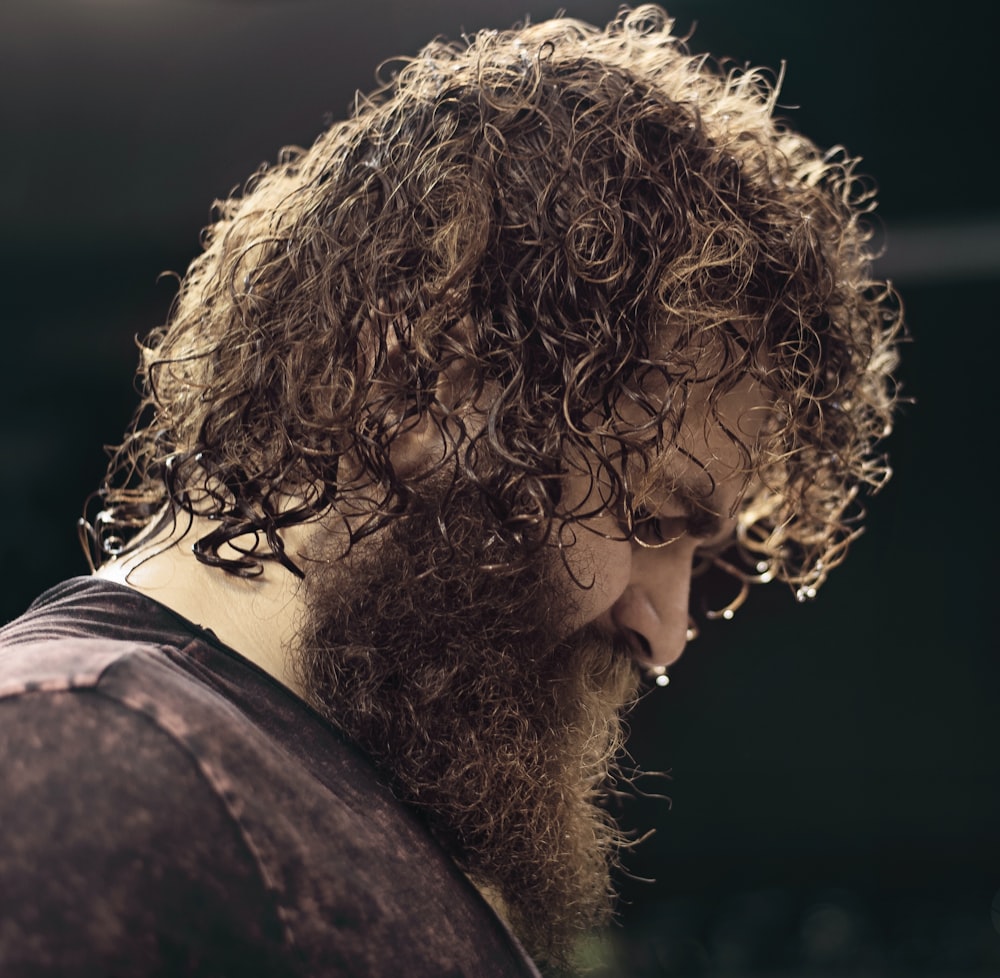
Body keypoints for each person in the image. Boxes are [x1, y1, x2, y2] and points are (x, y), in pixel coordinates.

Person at [0, 5, 901, 975]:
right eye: (644, 517)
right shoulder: (75, 760)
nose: (667, 628)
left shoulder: (327, 800)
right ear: (409, 381)